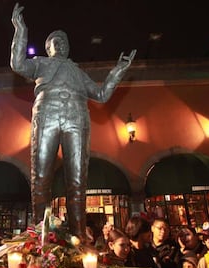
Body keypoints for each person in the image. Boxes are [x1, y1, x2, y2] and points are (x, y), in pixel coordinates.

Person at [10, 3, 136, 240]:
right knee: (41, 177)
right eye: (56, 42)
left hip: (77, 117)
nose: (62, 44)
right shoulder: (41, 63)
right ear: (48, 48)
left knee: (78, 179)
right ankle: (41, 236)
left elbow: (100, 95)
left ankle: (78, 234)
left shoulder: (78, 72)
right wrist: (20, 29)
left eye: (65, 42)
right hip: (47, 113)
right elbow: (17, 64)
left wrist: (118, 71)